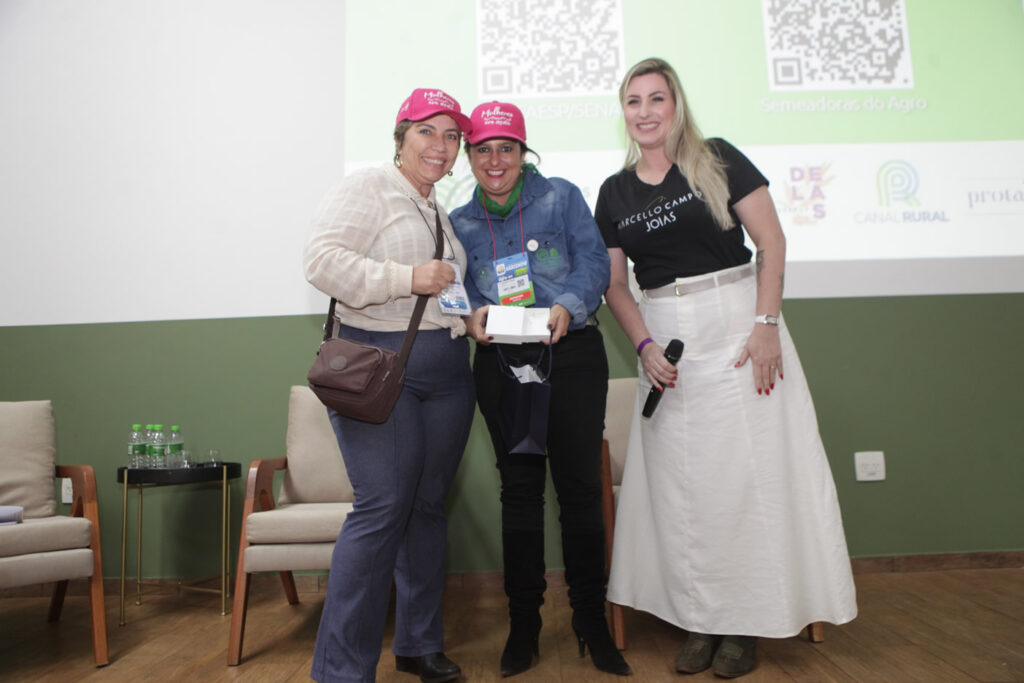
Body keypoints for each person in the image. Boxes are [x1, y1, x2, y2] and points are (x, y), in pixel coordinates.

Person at [594, 58, 858, 679]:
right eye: (633, 101)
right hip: (667, 347)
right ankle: (702, 620)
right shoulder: (614, 192)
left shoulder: (718, 159)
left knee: (750, 482)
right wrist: (644, 346)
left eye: (657, 98)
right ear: (624, 112)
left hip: (741, 329)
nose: (645, 112)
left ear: (676, 104)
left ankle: (746, 625)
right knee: (686, 493)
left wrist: (766, 326)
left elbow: (771, 243)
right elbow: (615, 285)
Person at [449, 101, 631, 677]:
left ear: (524, 152)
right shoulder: (457, 222)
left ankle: (590, 620)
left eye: (506, 148)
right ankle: (523, 625)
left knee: (580, 490)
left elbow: (595, 264)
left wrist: (568, 304)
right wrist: (470, 315)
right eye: (483, 149)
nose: (495, 160)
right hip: (502, 362)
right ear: (469, 156)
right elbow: (454, 290)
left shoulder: (562, 197)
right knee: (520, 494)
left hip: (570, 353)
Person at [304, 88, 477, 683]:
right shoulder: (369, 186)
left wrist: (469, 318)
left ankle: (418, 643)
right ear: (400, 137)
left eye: (451, 136)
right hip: (381, 369)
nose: (440, 145)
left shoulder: (435, 210)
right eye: (427, 131)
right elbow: (321, 260)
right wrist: (408, 276)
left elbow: (440, 294)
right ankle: (341, 671)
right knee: (381, 509)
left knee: (426, 509)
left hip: (448, 374)